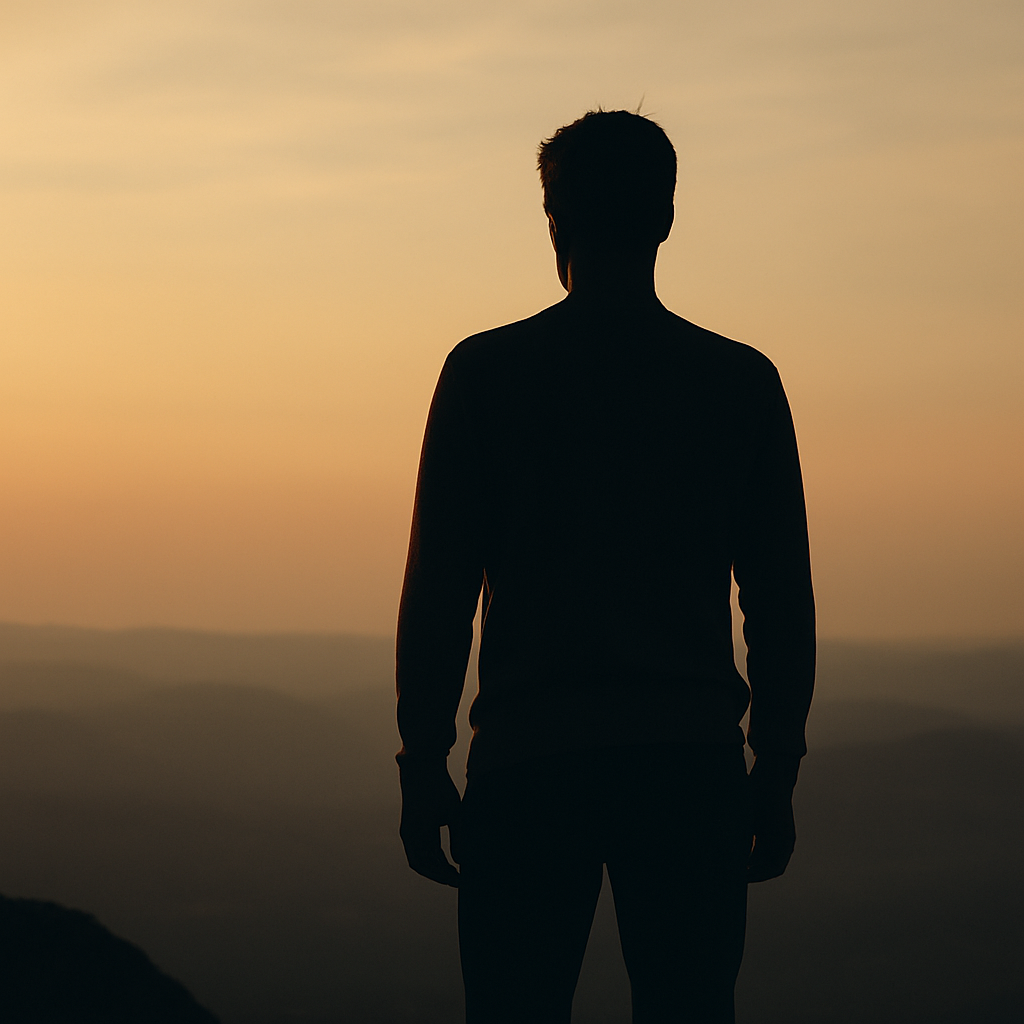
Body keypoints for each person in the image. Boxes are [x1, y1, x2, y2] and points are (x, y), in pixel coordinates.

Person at [395, 110, 815, 1024]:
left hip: (529, 765)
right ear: (666, 217)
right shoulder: (738, 382)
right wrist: (774, 765)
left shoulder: (487, 373)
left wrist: (423, 760)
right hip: (688, 769)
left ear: (556, 221)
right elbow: (780, 600)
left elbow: (440, 592)